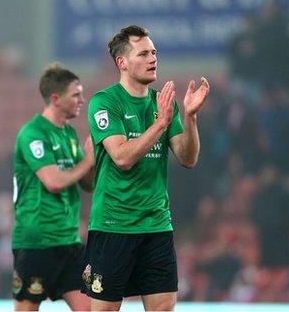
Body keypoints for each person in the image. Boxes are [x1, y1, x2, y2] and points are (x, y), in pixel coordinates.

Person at [82, 25, 210, 311]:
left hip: (156, 225)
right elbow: (123, 158)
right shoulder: (104, 102)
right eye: (143, 54)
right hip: (114, 226)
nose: (153, 58)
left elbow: (187, 158)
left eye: (154, 52)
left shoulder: (163, 105)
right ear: (122, 63)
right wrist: (159, 124)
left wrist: (189, 118)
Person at [12, 63, 94, 311]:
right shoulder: (33, 133)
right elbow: (53, 182)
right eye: (76, 95)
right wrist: (88, 160)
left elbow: (86, 184)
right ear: (56, 99)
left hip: (68, 240)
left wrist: (94, 162)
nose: (82, 100)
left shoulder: (68, 134)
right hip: (37, 240)